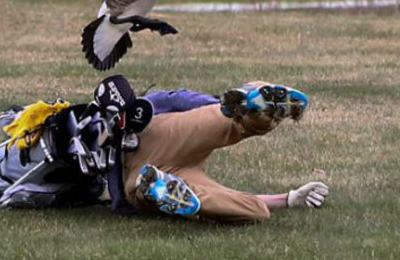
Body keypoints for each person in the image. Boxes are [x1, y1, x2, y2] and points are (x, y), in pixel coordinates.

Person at [117, 81, 329, 224]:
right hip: (147, 166)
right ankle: (253, 107)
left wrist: (289, 199)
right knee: (256, 210)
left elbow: (169, 100)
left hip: (157, 151)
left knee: (257, 210)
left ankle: (253, 106)